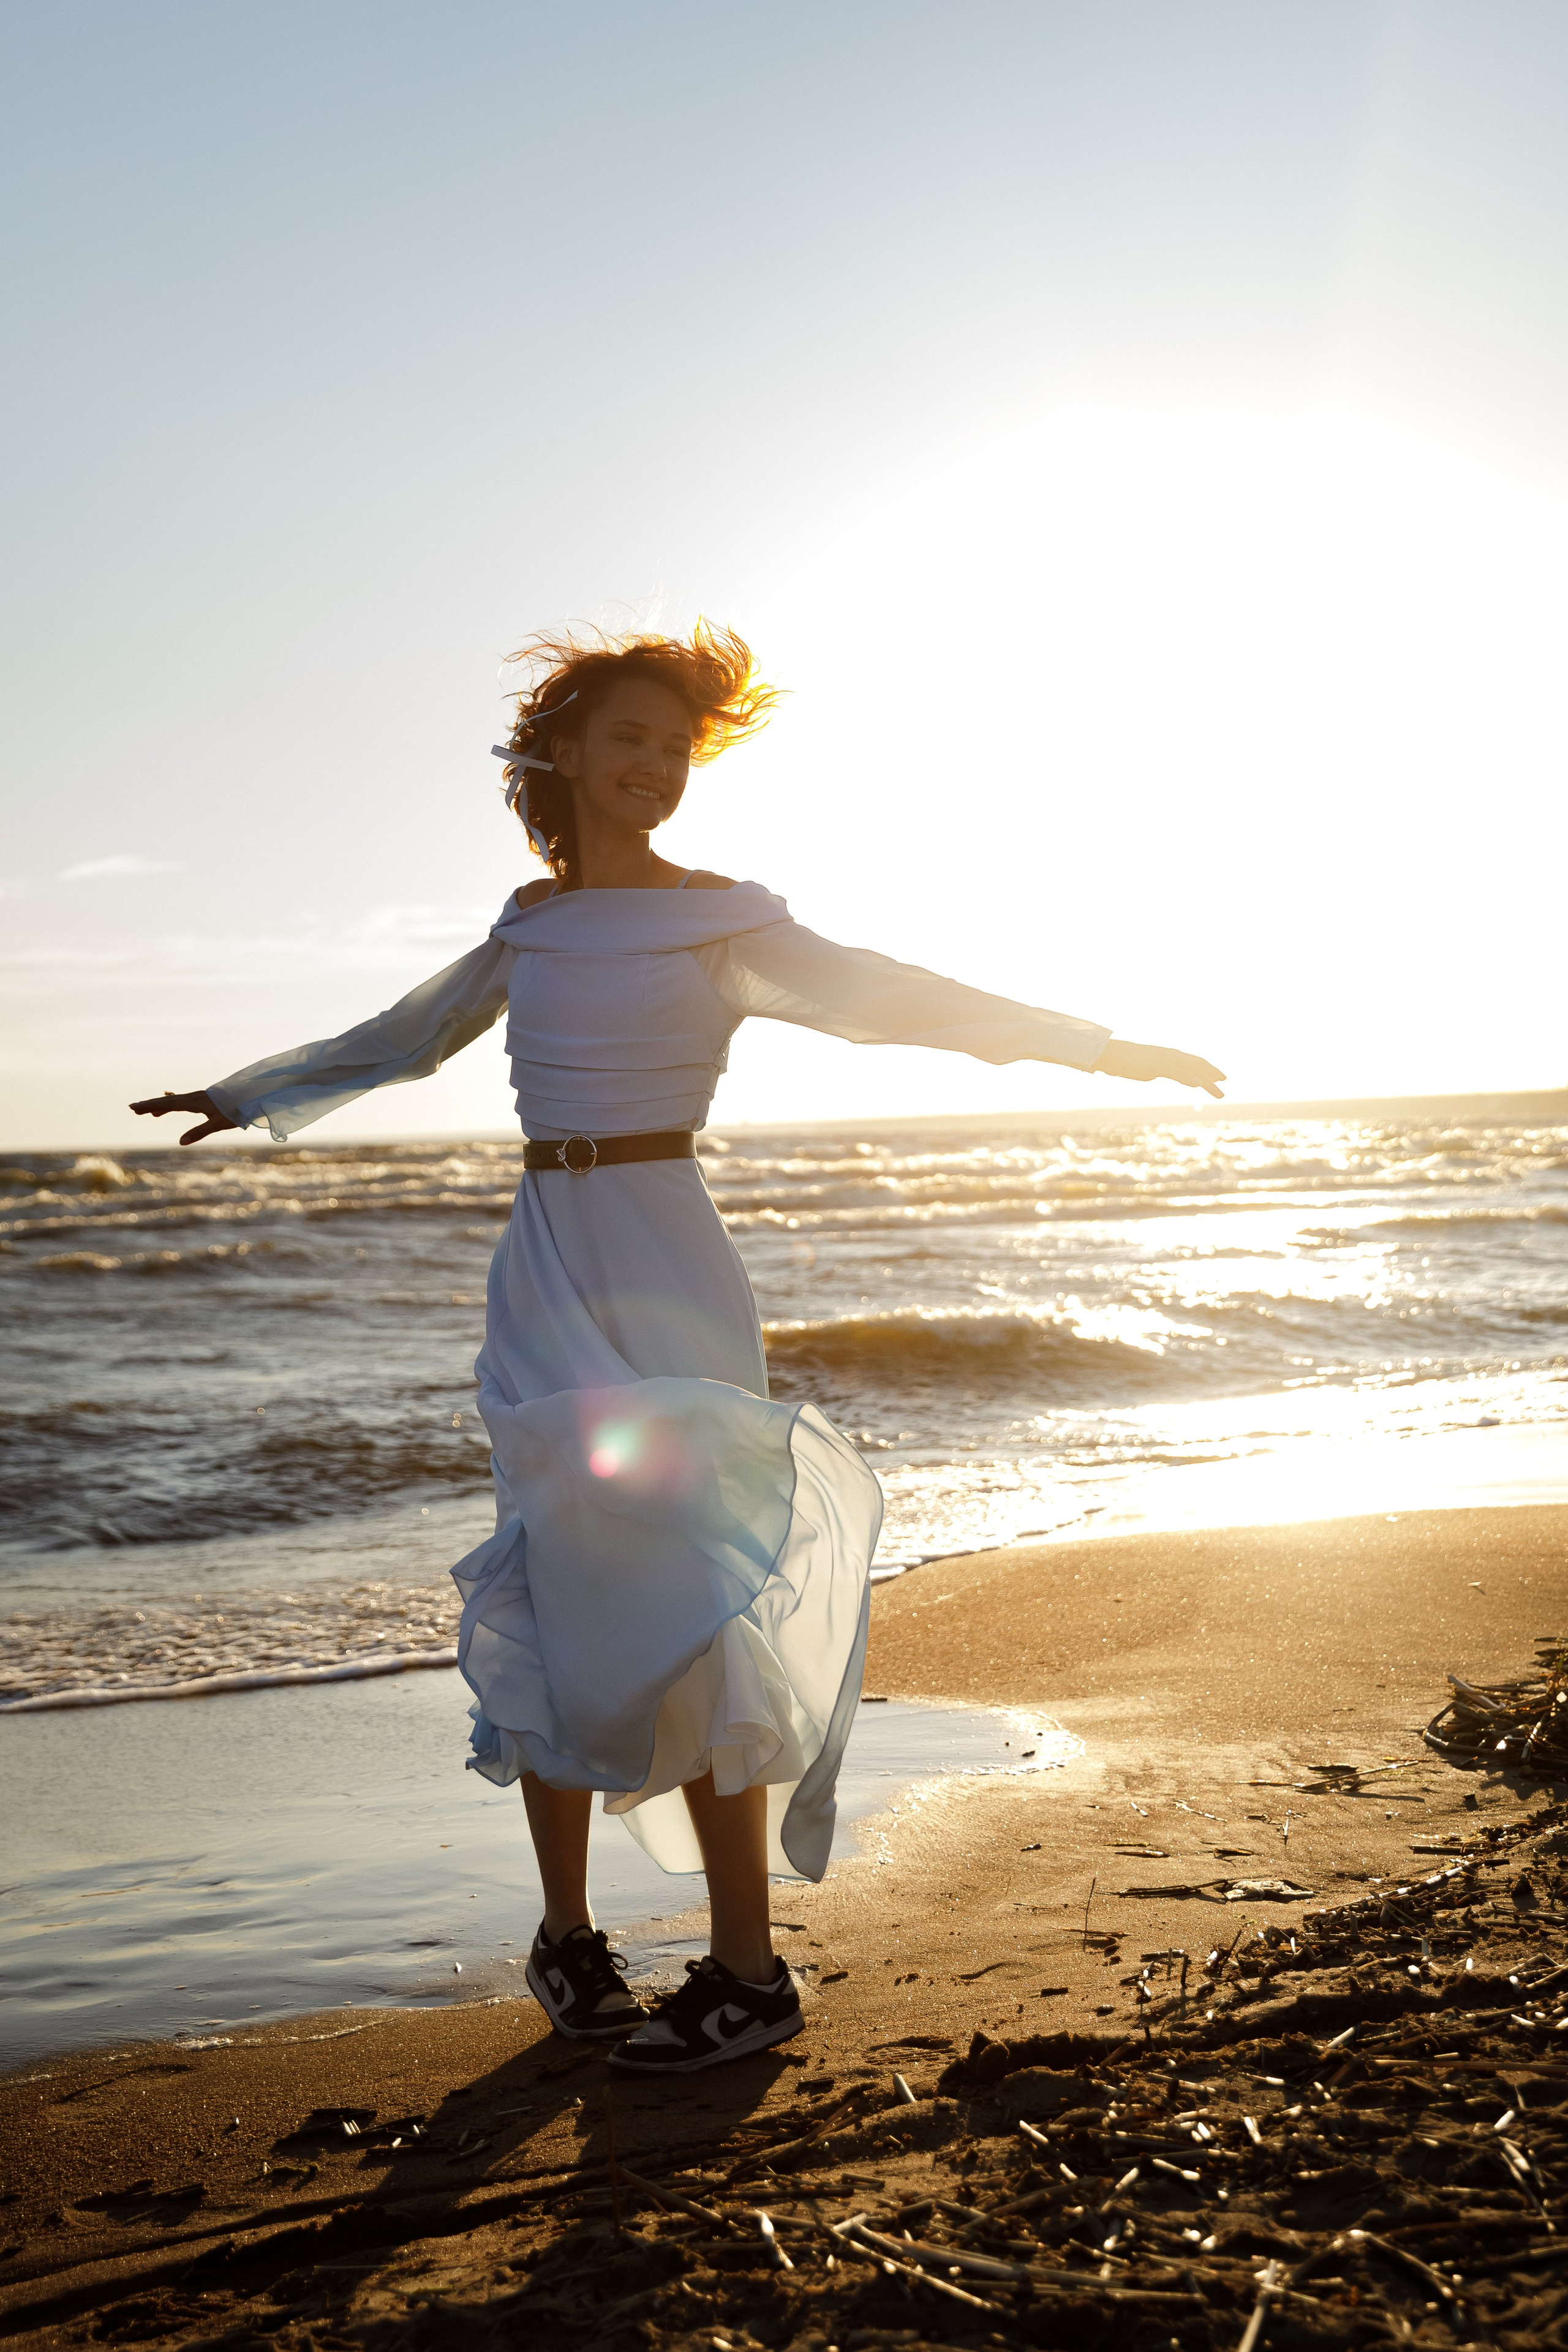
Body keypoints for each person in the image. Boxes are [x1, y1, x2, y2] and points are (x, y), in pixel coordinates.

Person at [133, 623, 1223, 2074]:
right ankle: (566, 1938)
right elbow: (400, 1040)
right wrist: (246, 1092)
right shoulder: (528, 927)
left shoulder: (726, 922)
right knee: (552, 1569)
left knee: (701, 1593)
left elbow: (903, 1000)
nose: (655, 768)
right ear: (562, 760)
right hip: (543, 1260)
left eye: (676, 749)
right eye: (629, 742)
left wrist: (1097, 1047)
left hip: (663, 1251)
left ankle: (745, 1969)